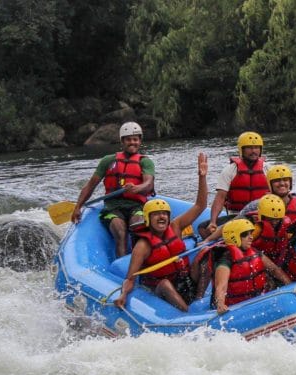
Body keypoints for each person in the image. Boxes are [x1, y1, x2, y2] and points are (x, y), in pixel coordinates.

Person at [114, 153, 208, 312]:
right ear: (147, 219)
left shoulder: (176, 227)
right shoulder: (143, 245)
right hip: (161, 290)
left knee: (205, 254)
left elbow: (200, 205)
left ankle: (199, 300)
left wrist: (202, 177)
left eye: (164, 213)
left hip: (184, 281)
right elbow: (130, 278)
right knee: (164, 284)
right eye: (157, 214)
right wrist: (123, 295)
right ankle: (187, 314)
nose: (162, 216)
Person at [71, 122, 155, 257]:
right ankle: (122, 269)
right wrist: (78, 206)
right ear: (122, 141)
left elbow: (149, 183)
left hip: (137, 206)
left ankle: (140, 265)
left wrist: (137, 188)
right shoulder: (108, 160)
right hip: (112, 207)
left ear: (140, 141)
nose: (132, 143)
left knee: (138, 226)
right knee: (120, 232)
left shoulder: (145, 162)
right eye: (128, 139)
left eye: (135, 139)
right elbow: (91, 185)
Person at [211, 218, 292, 314]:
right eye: (245, 234)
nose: (251, 237)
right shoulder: (225, 259)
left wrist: (290, 284)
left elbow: (274, 269)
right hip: (236, 306)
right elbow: (221, 286)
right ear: (234, 236)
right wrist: (220, 304)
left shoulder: (254, 252)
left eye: (250, 233)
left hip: (257, 298)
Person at [203, 131, 269, 236]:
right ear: (241, 150)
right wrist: (213, 222)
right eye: (249, 148)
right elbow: (220, 198)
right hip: (236, 216)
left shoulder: (268, 169)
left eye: (256, 147)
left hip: (261, 216)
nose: (253, 151)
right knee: (202, 228)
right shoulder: (230, 170)